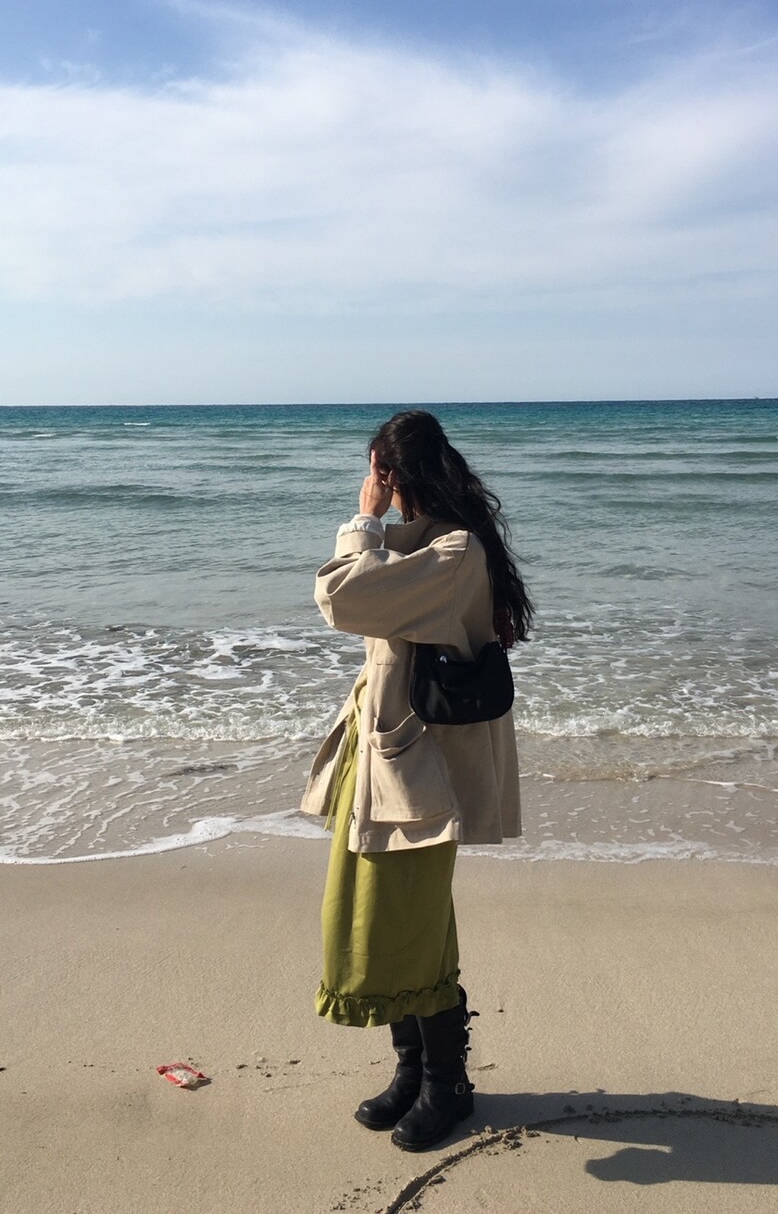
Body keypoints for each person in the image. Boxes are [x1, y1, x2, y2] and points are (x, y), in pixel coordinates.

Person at [300, 409, 532, 1151]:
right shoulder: (432, 545)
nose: (374, 486)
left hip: (421, 772)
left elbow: (342, 597)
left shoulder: (455, 553)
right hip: (385, 759)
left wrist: (363, 517)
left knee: (415, 925)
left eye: (378, 472)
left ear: (393, 474)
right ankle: (411, 1072)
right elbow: (367, 582)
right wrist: (377, 527)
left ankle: (447, 1084)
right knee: (389, 921)